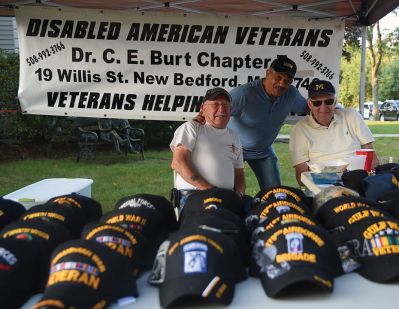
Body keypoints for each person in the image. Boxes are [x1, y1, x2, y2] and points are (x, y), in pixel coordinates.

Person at [194, 55, 307, 192]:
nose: (282, 83)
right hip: (233, 149)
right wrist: (201, 118)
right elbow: (217, 111)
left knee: (275, 192)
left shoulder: (291, 94)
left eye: (287, 80)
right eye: (278, 77)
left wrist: (333, 107)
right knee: (230, 191)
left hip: (264, 151)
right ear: (268, 73)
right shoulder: (244, 94)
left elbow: (307, 108)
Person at [289, 79, 377, 185]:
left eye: (328, 101)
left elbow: (371, 156)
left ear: (335, 102)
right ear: (310, 104)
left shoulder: (352, 116)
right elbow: (301, 176)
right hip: (323, 185)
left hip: (358, 181)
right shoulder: (300, 129)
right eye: (317, 103)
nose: (323, 107)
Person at [170, 87, 245, 209]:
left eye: (225, 105)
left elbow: (239, 173)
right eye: (215, 104)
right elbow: (178, 162)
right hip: (196, 195)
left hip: (227, 198)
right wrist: (208, 189)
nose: (221, 109)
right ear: (203, 109)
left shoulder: (234, 137)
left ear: (231, 110)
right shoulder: (191, 128)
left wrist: (239, 194)